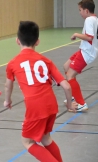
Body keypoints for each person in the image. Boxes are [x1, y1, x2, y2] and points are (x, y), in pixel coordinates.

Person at [4, 21, 77, 162]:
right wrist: (69, 104)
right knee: (45, 138)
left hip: (35, 108)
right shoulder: (46, 61)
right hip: (51, 105)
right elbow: (67, 86)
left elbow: (8, 86)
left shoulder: (13, 63)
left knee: (28, 142)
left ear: (17, 41)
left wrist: (7, 100)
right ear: (37, 42)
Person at [63, 0, 98, 112]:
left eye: (80, 10)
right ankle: (73, 96)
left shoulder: (89, 20)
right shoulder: (95, 19)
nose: (79, 12)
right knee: (66, 66)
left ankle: (81, 103)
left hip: (87, 52)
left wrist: (76, 34)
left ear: (86, 11)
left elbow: (89, 37)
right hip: (84, 50)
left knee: (70, 76)